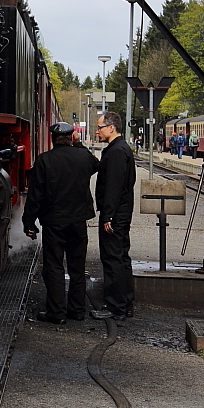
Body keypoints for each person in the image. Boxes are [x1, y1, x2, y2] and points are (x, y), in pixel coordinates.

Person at [23, 122, 99, 324]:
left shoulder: (44, 160)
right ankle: (77, 310)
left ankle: (56, 313)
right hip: (78, 221)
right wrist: (79, 145)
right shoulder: (83, 156)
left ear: (52, 139)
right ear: (71, 137)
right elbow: (96, 165)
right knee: (77, 266)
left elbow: (35, 195)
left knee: (54, 266)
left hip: (54, 222)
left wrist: (28, 221)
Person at [92, 111, 136, 320]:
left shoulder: (117, 151)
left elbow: (114, 186)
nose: (97, 131)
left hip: (115, 215)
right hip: (121, 212)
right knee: (121, 257)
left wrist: (108, 216)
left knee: (112, 258)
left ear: (111, 128)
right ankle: (125, 303)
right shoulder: (120, 148)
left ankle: (116, 306)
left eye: (99, 127)